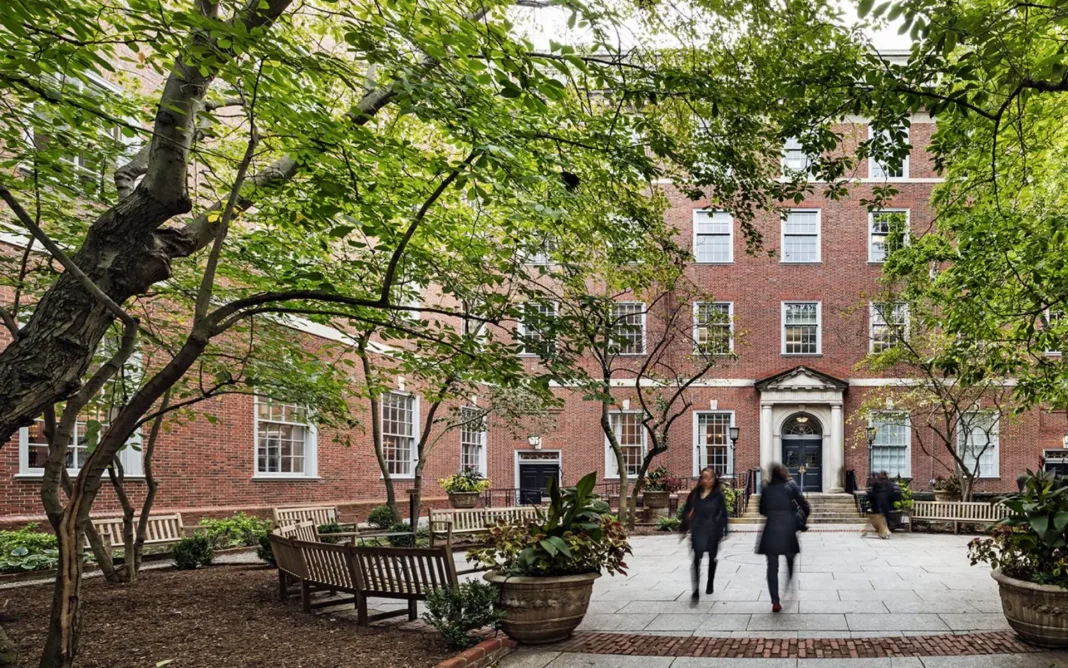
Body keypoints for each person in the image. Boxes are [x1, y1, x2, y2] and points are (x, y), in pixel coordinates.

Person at [756, 463, 809, 613]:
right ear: (784, 474)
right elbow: (805, 506)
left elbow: (761, 510)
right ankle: (788, 588)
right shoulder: (791, 486)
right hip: (788, 528)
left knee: (772, 566)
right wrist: (801, 522)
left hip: (771, 529)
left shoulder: (766, 489)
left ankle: (775, 600)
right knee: (790, 561)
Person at [680, 467, 728, 605]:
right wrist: (684, 527)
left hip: (713, 530)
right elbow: (687, 511)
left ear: (713, 480)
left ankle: (710, 582)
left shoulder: (718, 495)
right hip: (698, 529)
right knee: (696, 559)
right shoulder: (695, 494)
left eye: (709, 477)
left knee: (712, 558)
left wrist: (724, 530)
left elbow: (723, 513)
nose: (706, 480)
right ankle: (695, 591)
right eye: (704, 477)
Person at [864, 471, 892, 539]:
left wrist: (869, 496)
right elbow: (890, 494)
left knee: (880, 520)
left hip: (879, 505)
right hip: (885, 505)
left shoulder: (878, 483)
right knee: (882, 520)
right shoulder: (887, 483)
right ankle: (884, 532)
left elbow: (874, 494)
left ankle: (885, 532)